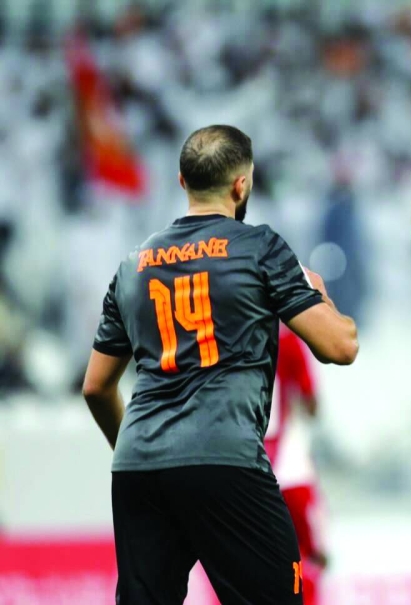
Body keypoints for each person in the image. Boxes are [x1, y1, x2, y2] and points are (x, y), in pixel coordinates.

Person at [81, 125, 359, 605]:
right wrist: (322, 299)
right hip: (224, 458)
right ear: (241, 185)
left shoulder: (133, 266)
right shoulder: (260, 248)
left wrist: (140, 450)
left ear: (182, 182)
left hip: (139, 464)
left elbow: (96, 387)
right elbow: (340, 347)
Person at [265, 326, 330, 605]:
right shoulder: (285, 337)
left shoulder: (223, 326)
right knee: (309, 558)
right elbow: (311, 403)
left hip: (232, 459)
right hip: (285, 467)